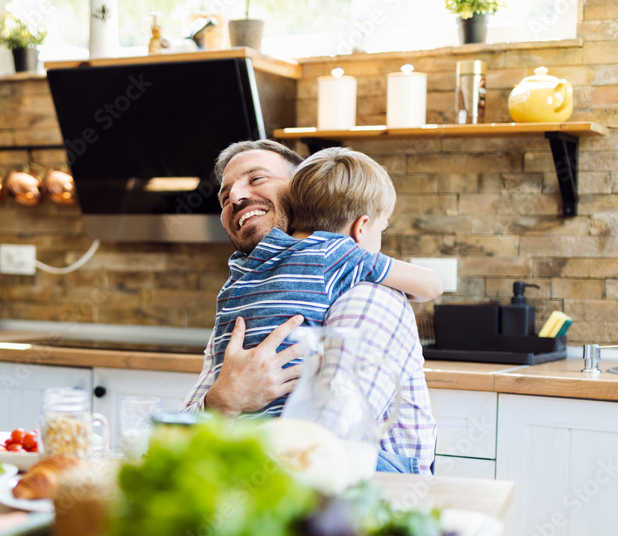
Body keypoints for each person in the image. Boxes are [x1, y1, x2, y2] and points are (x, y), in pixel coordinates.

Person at [183, 140, 438, 473]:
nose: (234, 196)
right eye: (223, 195)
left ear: (300, 188)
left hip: (360, 495)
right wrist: (222, 401)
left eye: (256, 179)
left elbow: (331, 439)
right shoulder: (241, 290)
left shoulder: (367, 293)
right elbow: (184, 438)